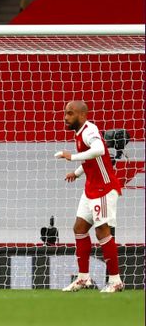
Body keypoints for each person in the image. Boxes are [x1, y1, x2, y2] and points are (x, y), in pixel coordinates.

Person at [57, 101, 124, 293]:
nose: (66, 117)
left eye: (70, 114)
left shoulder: (89, 130)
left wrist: (72, 157)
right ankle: (83, 278)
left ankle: (116, 281)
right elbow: (91, 157)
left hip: (104, 188)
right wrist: (77, 173)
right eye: (65, 113)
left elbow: (99, 150)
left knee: (102, 231)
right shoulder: (80, 133)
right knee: (79, 228)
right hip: (91, 189)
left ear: (82, 115)